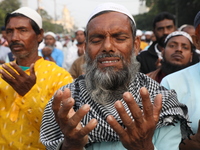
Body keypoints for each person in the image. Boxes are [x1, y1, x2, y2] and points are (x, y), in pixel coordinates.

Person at [40, 3, 192, 150]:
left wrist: (143, 147)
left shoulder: (161, 103)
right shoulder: (66, 104)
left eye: (119, 38)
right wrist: (71, 145)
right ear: (86, 47)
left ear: (136, 45)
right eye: (97, 39)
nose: (107, 47)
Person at [0, 7, 73, 149]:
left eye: (23, 30)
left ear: (39, 35)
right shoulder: (3, 72)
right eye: (10, 31)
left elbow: (62, 131)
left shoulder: (59, 76)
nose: (14, 37)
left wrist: (29, 93)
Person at [161, 11, 200, 150]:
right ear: (198, 41)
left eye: (184, 47)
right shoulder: (171, 84)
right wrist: (190, 144)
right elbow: (163, 143)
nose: (178, 50)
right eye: (172, 46)